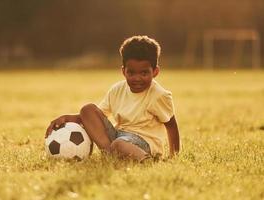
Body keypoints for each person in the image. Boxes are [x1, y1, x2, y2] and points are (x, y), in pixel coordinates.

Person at [45, 35, 180, 162]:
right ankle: (110, 154)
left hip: (144, 143)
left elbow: (171, 126)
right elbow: (98, 117)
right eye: (131, 72)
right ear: (123, 71)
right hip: (119, 136)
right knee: (87, 109)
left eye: (144, 73)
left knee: (119, 144)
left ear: (155, 72)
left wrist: (173, 156)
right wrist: (68, 118)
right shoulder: (117, 90)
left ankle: (145, 160)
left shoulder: (158, 95)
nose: (137, 78)